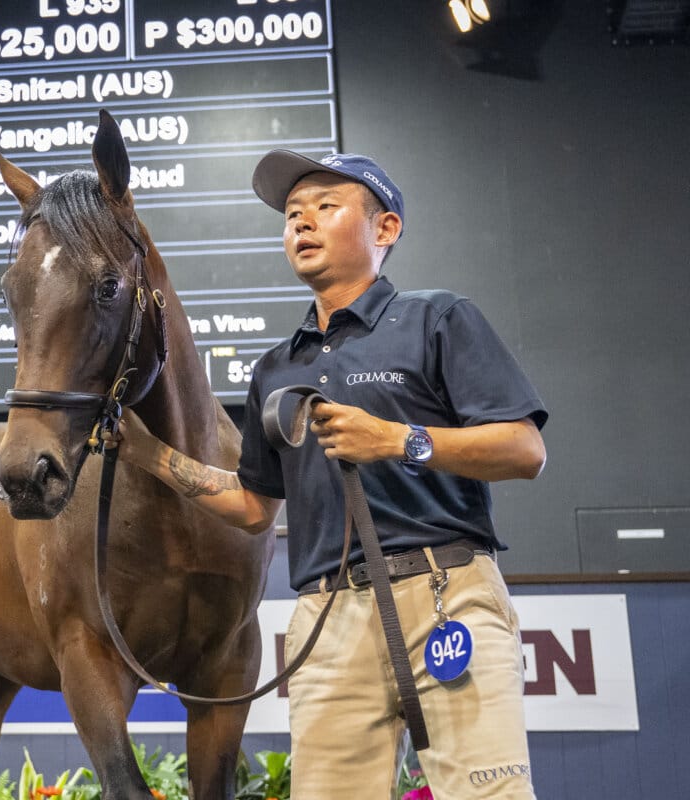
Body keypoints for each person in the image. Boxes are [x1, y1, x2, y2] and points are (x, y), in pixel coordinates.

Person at [107, 151, 547, 798]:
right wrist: (153, 457)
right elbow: (256, 507)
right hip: (326, 619)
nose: (301, 224)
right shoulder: (274, 369)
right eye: (291, 215)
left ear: (385, 228)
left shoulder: (438, 319)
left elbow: (523, 450)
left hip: (445, 593)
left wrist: (396, 439)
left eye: (325, 207)